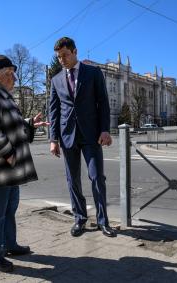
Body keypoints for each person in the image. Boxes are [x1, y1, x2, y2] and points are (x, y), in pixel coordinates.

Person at [0, 55, 48, 273]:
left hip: (6, 169)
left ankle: (9, 245)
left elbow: (7, 123)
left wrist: (29, 124)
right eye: (10, 73)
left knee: (9, 208)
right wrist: (8, 155)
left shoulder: (1, 95)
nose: (14, 77)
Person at [49, 37, 116, 238]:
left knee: (97, 177)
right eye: (59, 57)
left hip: (92, 135)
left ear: (75, 51)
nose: (62, 60)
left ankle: (103, 222)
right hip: (67, 135)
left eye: (65, 55)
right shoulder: (56, 80)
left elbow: (103, 103)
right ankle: (79, 219)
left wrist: (105, 129)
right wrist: (53, 139)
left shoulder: (93, 73)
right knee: (73, 180)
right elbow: (53, 111)